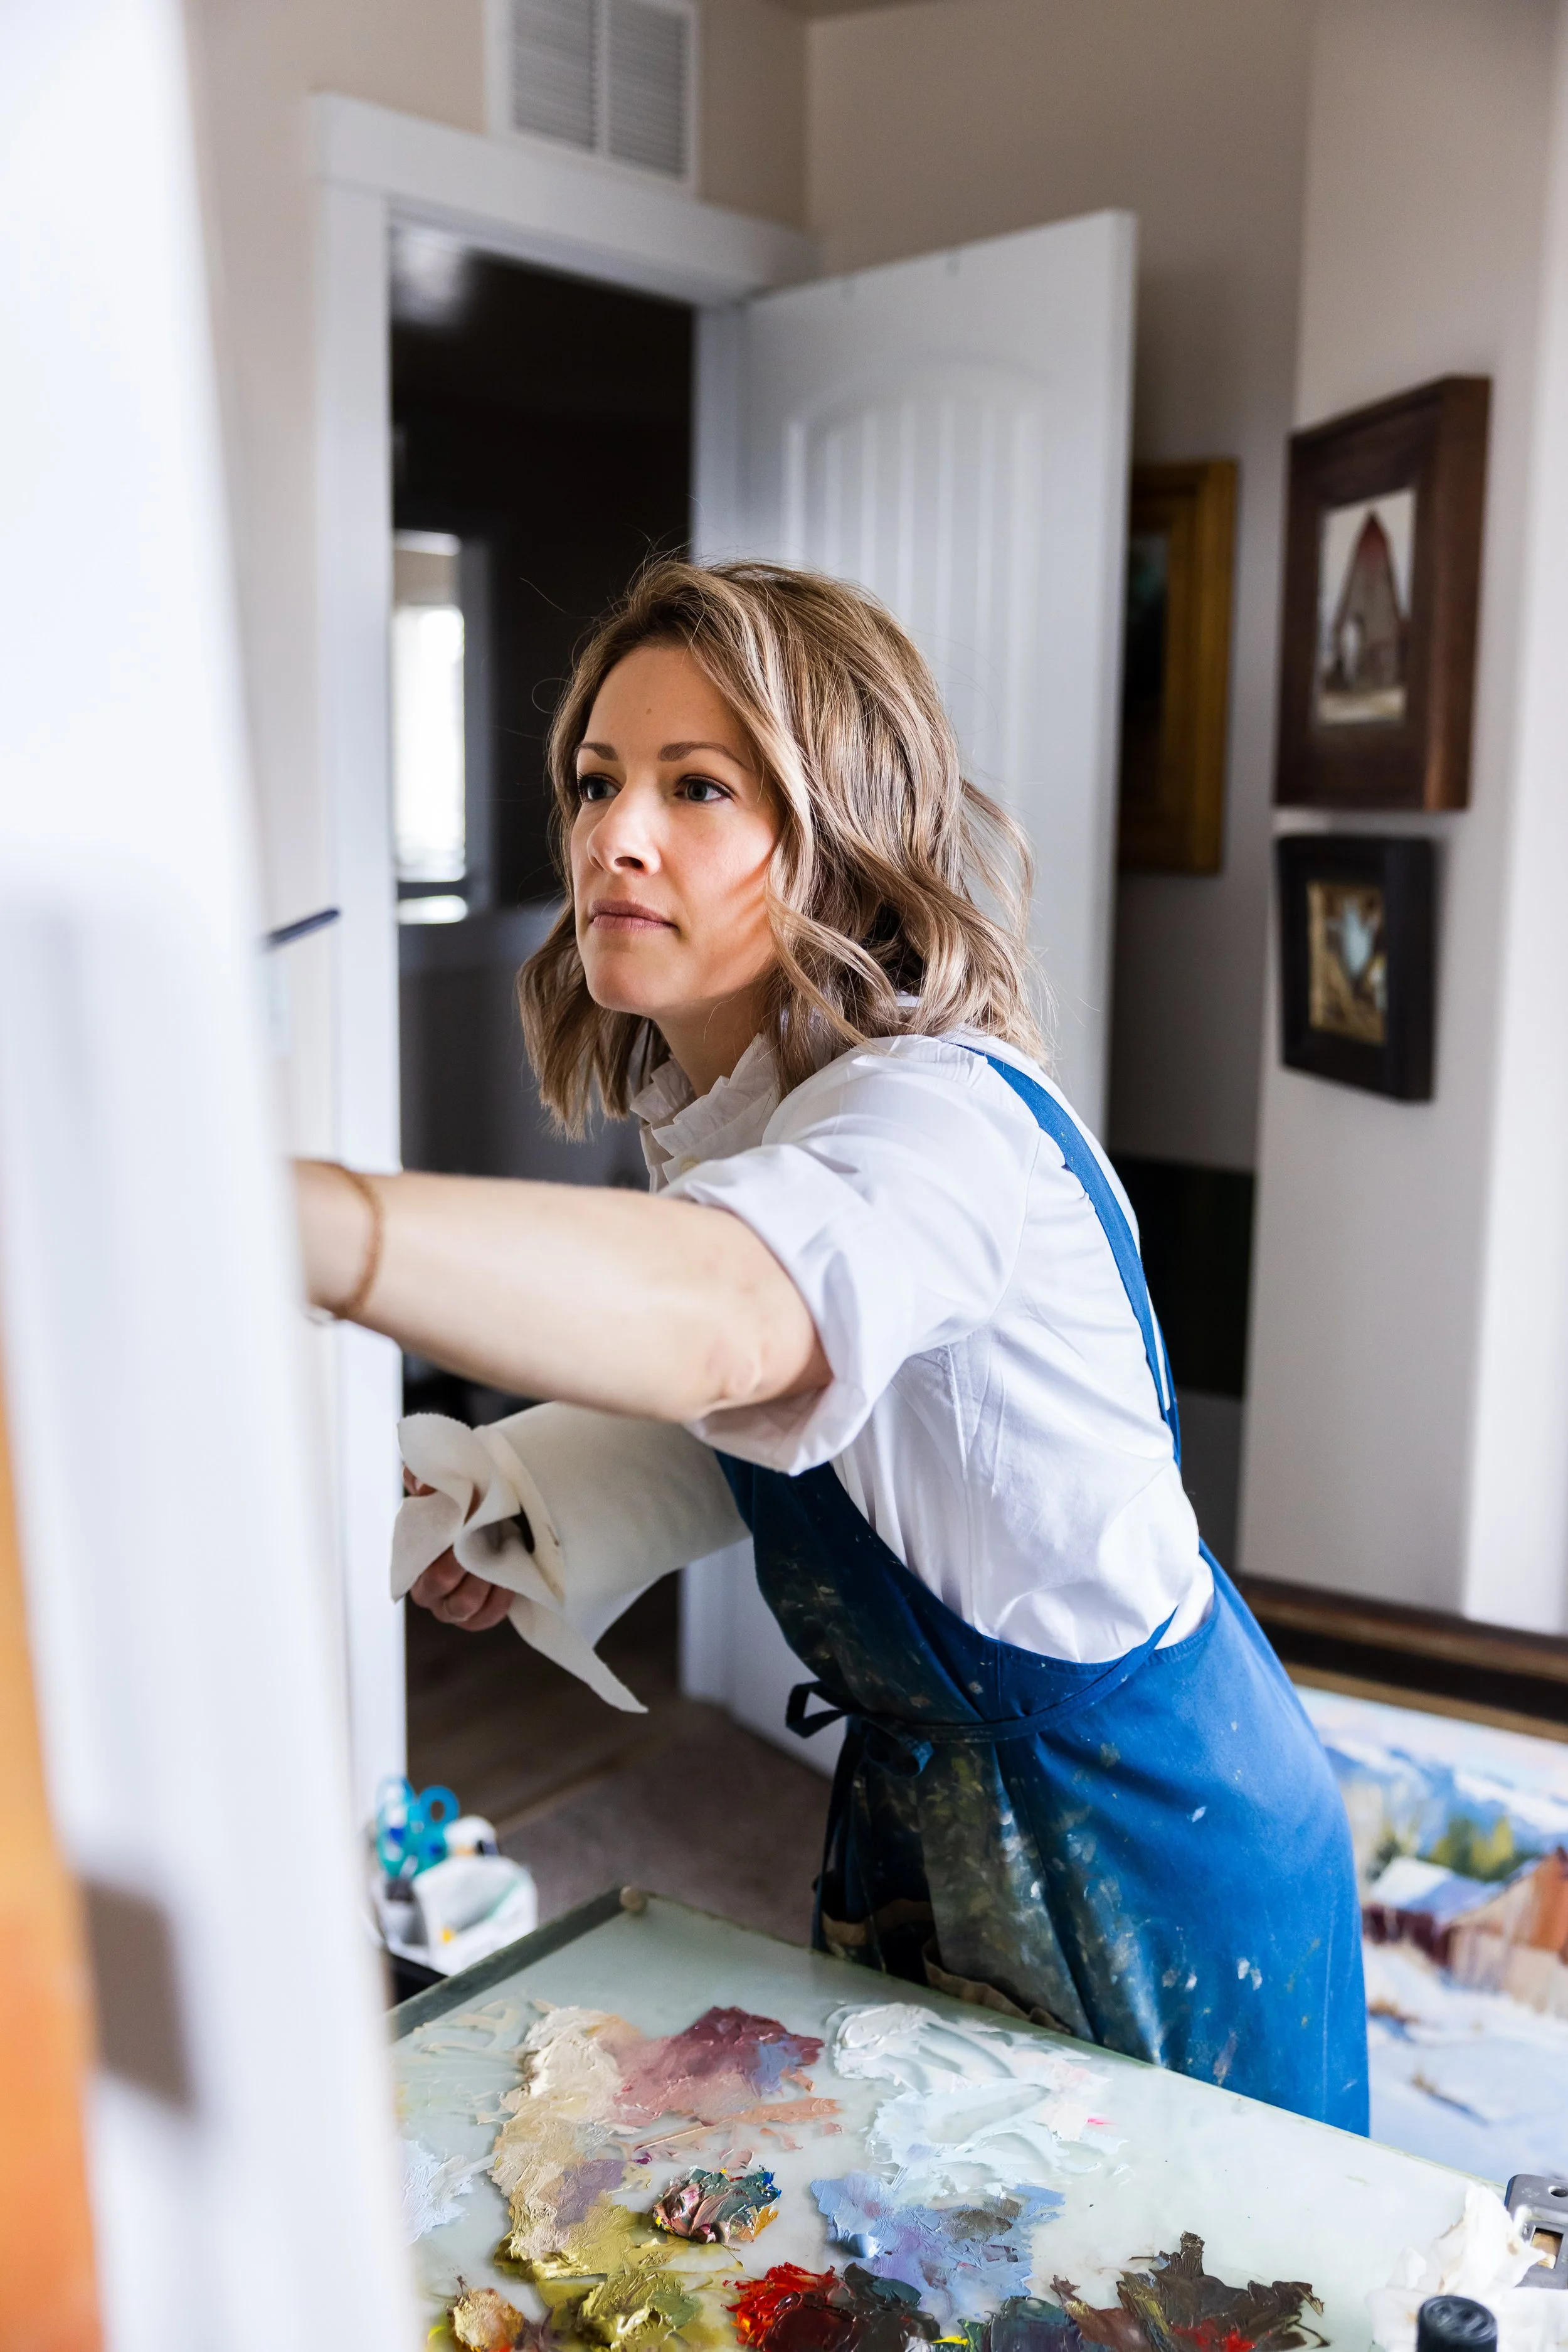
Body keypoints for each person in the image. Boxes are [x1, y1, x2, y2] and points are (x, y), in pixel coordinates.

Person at [296, 558, 1367, 2129]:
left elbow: (732, 1321)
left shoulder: (932, 1120)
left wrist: (295, 1223)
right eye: (596, 781)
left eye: (697, 784)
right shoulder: (740, 1116)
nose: (615, 834)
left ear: (836, 830)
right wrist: (510, 1487)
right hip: (933, 1821)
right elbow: (802, 1433)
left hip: (1158, 1859)